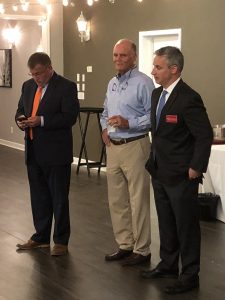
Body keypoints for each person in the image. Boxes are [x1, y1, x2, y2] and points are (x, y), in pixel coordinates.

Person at [141, 46, 213, 293]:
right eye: (154, 66)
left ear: (174, 69)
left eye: (158, 67)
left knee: (186, 225)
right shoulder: (155, 95)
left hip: (183, 174)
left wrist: (196, 167)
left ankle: (190, 274)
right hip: (159, 171)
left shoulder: (189, 97)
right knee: (166, 222)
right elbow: (159, 133)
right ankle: (168, 264)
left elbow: (204, 135)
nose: (153, 71)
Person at [15, 52, 79, 256]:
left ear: (49, 68)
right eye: (33, 74)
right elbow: (20, 109)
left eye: (39, 74)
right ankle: (40, 238)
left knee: (59, 198)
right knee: (39, 197)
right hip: (33, 151)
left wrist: (41, 120)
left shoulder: (66, 87)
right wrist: (20, 120)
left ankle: (61, 240)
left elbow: (69, 117)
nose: (36, 78)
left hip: (56, 153)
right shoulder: (27, 86)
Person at [100, 39, 154, 266]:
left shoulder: (144, 82)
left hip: (135, 146)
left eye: (123, 55)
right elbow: (105, 111)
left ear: (134, 57)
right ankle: (125, 244)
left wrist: (128, 122)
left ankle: (142, 250)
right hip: (113, 147)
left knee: (138, 200)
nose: (118, 59)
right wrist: (104, 129)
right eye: (115, 55)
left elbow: (154, 117)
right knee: (117, 200)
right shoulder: (112, 82)